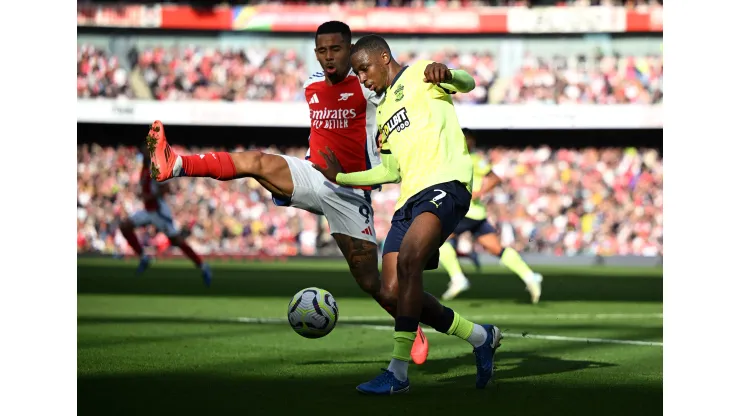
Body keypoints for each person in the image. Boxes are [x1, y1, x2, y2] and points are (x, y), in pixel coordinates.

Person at [144, 21, 430, 363]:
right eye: (322, 50)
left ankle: (410, 324)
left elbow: (400, 90)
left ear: (350, 49)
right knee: (257, 161)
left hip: (350, 191)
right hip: (311, 174)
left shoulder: (368, 86)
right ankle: (175, 164)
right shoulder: (311, 84)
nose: (328, 57)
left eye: (336, 49)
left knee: (371, 283)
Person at [313, 34, 502, 395]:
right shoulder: (382, 112)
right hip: (410, 197)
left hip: (447, 183)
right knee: (394, 290)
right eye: (357, 73)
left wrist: (447, 73)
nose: (363, 79)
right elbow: (389, 171)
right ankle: (481, 336)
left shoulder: (421, 74)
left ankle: (397, 373)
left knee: (410, 261)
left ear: (384, 58)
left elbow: (468, 82)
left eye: (364, 69)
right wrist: (340, 176)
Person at [439, 128, 543, 303]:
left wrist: (479, 192)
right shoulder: (458, 158)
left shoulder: (470, 159)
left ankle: (458, 278)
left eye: (468, 139)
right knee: (496, 248)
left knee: (439, 240)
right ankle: (529, 276)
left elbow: (495, 178)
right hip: (476, 214)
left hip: (465, 211)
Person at [119, 145, 212, 285]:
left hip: (158, 211)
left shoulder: (156, 168)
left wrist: (149, 196)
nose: (143, 152)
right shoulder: (144, 168)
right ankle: (144, 258)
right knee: (125, 226)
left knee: (177, 241)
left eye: (146, 150)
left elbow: (165, 188)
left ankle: (203, 266)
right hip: (148, 210)